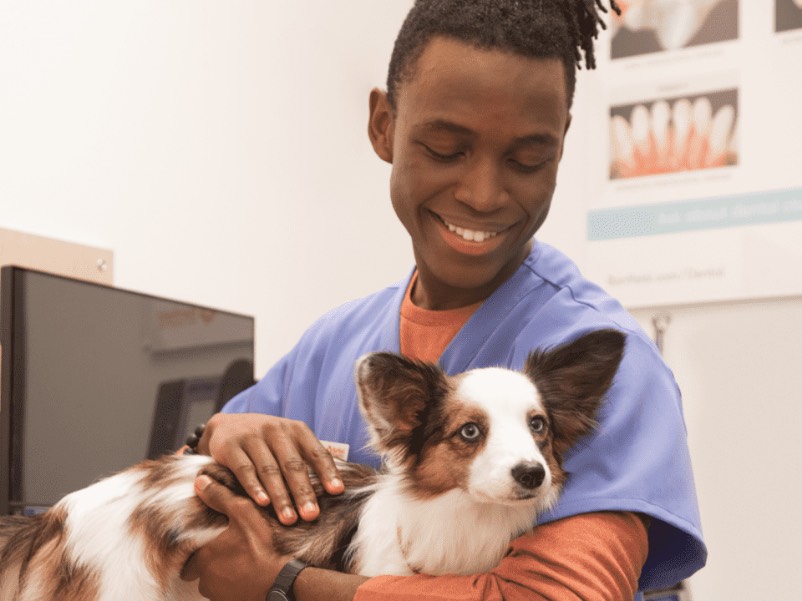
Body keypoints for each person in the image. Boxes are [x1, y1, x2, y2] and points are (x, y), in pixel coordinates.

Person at [182, 1, 707, 599]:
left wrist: (287, 585)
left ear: (560, 145)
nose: (483, 194)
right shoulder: (334, 342)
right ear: (384, 125)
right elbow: (178, 493)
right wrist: (218, 433)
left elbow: (551, 597)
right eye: (445, 149)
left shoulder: (608, 364)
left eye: (526, 158)